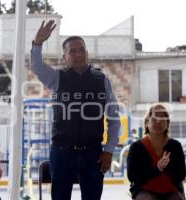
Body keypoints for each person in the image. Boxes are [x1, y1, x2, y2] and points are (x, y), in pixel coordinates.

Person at [31, 20, 120, 200]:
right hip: (62, 152)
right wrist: (37, 44)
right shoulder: (56, 78)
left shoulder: (101, 80)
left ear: (87, 53)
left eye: (81, 50)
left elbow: (114, 118)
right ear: (65, 57)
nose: (78, 54)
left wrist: (109, 150)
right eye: (73, 51)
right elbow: (37, 67)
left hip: (94, 153)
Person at [127, 104, 186, 200]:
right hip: (144, 191)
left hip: (171, 191)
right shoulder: (136, 147)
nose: (158, 122)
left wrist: (167, 166)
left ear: (167, 124)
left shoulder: (175, 146)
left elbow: (181, 175)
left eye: (162, 119)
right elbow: (132, 176)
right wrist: (157, 168)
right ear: (146, 122)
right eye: (154, 119)